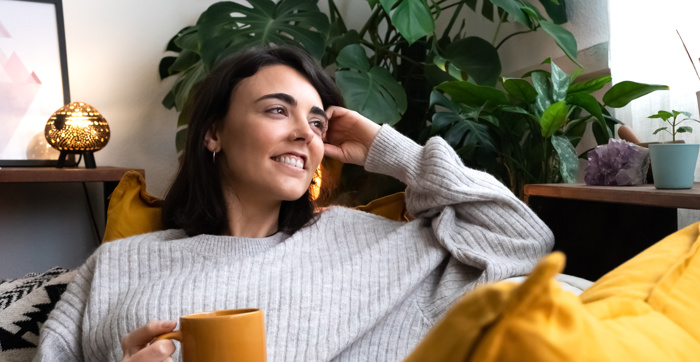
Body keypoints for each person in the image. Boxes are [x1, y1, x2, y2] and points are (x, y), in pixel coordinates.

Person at [33, 46, 554, 361]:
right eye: (277, 110)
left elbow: (521, 239)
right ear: (213, 133)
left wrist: (385, 149)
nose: (305, 133)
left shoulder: (366, 243)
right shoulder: (119, 263)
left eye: (317, 122)